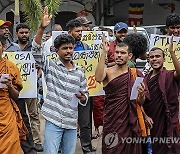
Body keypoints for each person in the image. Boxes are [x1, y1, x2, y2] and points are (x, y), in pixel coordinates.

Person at [31, 7, 89, 154]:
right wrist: (42, 27)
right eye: (64, 48)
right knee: (50, 152)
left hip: (71, 122)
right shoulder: (50, 66)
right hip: (53, 120)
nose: (68, 51)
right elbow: (36, 50)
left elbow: (85, 95)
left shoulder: (79, 72)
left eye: (70, 48)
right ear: (57, 51)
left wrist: (83, 97)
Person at [95, 36, 146, 154]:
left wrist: (142, 94)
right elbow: (98, 78)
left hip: (130, 120)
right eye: (116, 52)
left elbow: (140, 101)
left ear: (130, 56)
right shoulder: (108, 71)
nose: (118, 55)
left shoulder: (135, 74)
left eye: (122, 53)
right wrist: (104, 53)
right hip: (112, 119)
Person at [0, 20, 37, 154]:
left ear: (2, 48)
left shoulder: (11, 56)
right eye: (2, 28)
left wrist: (10, 85)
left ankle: (30, 150)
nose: (5, 30)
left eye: (6, 28)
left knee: (23, 122)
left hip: (10, 104)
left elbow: (16, 93)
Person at [143, 36, 180, 153]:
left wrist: (171, 52)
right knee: (154, 148)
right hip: (152, 121)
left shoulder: (169, 75)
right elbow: (140, 101)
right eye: (152, 57)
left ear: (164, 59)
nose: (154, 59)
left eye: (158, 56)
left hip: (167, 120)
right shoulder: (146, 78)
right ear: (148, 60)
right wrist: (145, 116)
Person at [66, 18, 96, 153]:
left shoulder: (86, 47)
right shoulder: (59, 48)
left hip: (83, 91)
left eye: (81, 31)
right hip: (66, 91)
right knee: (65, 121)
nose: (80, 33)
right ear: (69, 32)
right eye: (77, 31)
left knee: (85, 123)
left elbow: (92, 66)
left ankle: (87, 148)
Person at [16, 23, 43, 152]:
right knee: (21, 115)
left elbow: (40, 64)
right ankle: (23, 140)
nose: (24, 35)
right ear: (17, 33)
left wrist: (38, 74)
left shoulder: (34, 48)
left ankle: (37, 141)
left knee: (34, 114)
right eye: (22, 32)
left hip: (31, 86)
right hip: (16, 88)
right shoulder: (11, 48)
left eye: (26, 32)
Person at [0, 35, 27, 154]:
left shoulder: (10, 67)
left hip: (6, 113)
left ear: (3, 47)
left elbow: (16, 96)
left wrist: (10, 86)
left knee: (10, 145)